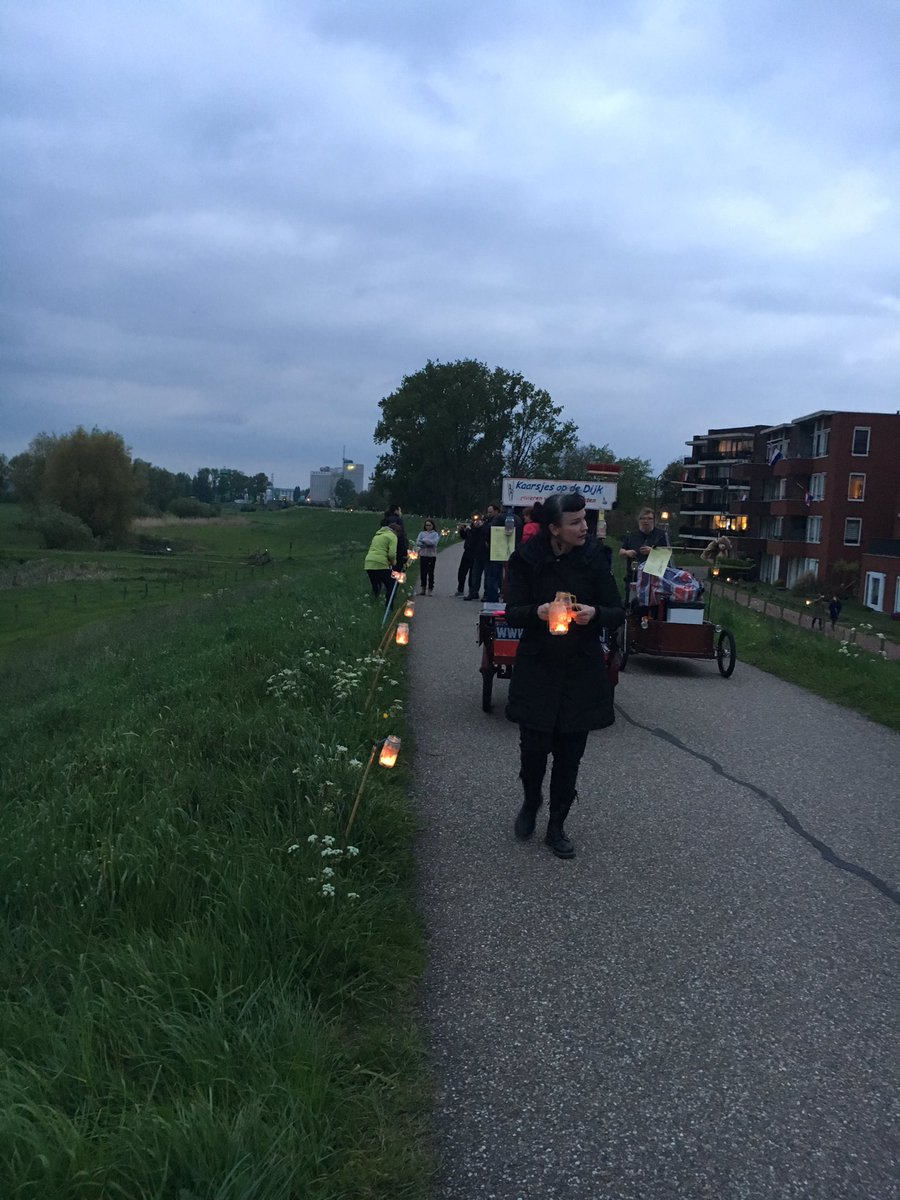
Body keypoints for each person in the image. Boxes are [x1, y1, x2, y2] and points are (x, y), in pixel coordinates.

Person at [505, 492, 625, 859]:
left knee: (570, 755)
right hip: (538, 668)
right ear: (554, 528)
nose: (584, 527)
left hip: (580, 670)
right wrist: (536, 612)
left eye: (585, 519)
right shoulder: (527, 559)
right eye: (575, 522)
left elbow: (617, 611)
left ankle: (557, 826)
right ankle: (531, 801)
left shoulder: (595, 559)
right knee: (533, 751)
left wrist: (595, 614)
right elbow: (512, 611)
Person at [619, 507, 670, 585]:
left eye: (649, 518)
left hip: (655, 578)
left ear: (654, 520)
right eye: (643, 518)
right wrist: (627, 552)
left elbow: (667, 555)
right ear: (639, 520)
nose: (646, 521)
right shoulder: (632, 535)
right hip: (634, 576)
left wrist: (652, 551)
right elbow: (621, 552)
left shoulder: (661, 535)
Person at [364, 520, 400, 602]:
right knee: (392, 584)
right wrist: (394, 562)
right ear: (395, 531)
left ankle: (374, 603)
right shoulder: (392, 536)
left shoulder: (377, 535)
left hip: (369, 563)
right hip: (381, 563)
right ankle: (389, 605)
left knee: (376, 585)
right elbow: (392, 554)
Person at [464, 508, 494, 601]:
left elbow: (487, 534)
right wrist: (470, 529)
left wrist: (481, 527)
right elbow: (472, 538)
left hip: (487, 553)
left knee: (487, 576)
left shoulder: (487, 524)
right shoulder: (473, 526)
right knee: (475, 575)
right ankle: (473, 592)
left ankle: (486, 594)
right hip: (477, 554)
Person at [416, 519, 440, 595]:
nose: (428, 527)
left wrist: (424, 540)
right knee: (423, 573)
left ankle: (430, 589)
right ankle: (423, 588)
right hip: (423, 555)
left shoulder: (435, 534)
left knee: (430, 573)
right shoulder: (422, 533)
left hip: (431, 556)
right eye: (426, 525)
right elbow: (418, 542)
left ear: (432, 526)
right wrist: (427, 543)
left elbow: (434, 543)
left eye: (429, 525)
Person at [382, 504, 408, 570]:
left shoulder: (384, 520)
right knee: (397, 571)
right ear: (396, 511)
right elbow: (401, 537)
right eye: (400, 511)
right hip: (397, 550)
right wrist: (404, 553)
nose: (401, 513)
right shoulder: (398, 520)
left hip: (385, 549)